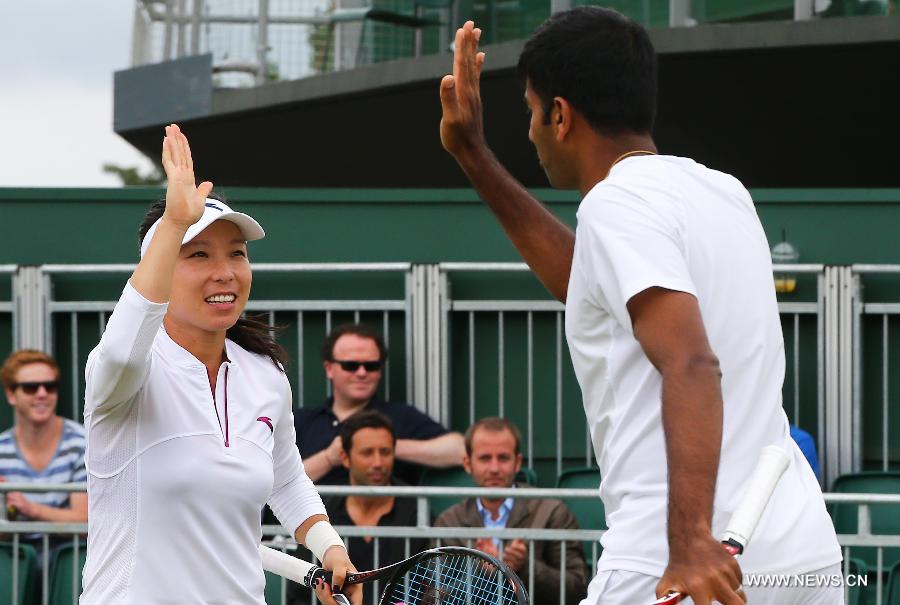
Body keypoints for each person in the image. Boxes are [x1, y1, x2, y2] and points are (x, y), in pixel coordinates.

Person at [438, 9, 841, 605]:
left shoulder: (613, 205)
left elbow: (691, 363)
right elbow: (588, 284)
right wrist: (473, 154)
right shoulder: (724, 192)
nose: (528, 131)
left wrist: (690, 543)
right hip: (798, 549)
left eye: (529, 111)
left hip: (678, 551)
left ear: (560, 115)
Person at [79, 124, 358, 605]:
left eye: (237, 254)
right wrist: (171, 224)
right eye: (199, 255)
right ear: (161, 269)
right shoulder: (122, 372)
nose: (225, 271)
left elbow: (286, 479)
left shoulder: (266, 375)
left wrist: (329, 548)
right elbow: (123, 349)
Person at [434, 417, 587, 604]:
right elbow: (432, 597)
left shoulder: (552, 511)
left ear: (517, 462)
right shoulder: (450, 522)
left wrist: (524, 567)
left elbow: (578, 589)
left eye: (503, 458)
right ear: (467, 463)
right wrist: (479, 572)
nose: (494, 468)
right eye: (485, 458)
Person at [295, 323, 464, 484]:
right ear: (329, 369)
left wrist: (385, 446)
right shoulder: (301, 422)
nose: (362, 373)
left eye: (372, 366)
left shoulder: (401, 416)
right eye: (350, 365)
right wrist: (328, 458)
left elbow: (459, 450)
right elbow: (275, 483)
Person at [289, 410, 427, 605]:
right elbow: (298, 596)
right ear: (345, 457)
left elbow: (430, 589)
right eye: (367, 453)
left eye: (385, 452)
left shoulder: (418, 513)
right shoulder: (320, 515)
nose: (378, 463)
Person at [0, 350, 87, 548]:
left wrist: (29, 509)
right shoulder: (1, 450)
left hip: (69, 565)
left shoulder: (81, 443)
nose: (42, 394)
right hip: (18, 565)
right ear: (11, 395)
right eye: (30, 388)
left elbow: (85, 520)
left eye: (50, 386)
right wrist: (8, 511)